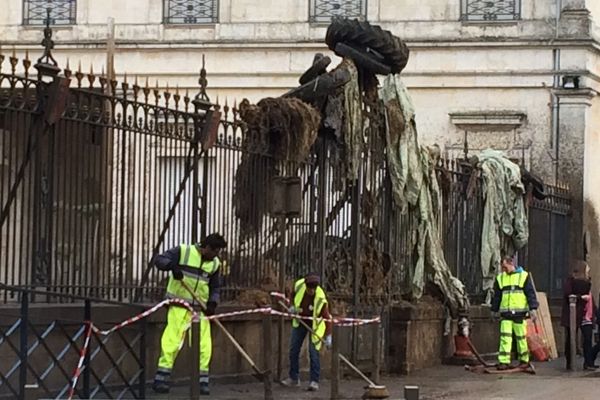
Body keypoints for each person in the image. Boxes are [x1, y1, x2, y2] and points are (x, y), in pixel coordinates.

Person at [151, 233, 227, 396]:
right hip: (179, 305)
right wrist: (172, 266)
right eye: (215, 251)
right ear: (207, 248)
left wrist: (212, 303)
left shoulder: (214, 264)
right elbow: (159, 260)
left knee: (204, 346)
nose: (216, 255)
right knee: (172, 342)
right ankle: (161, 378)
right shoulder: (183, 251)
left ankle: (202, 382)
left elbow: (215, 287)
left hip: (200, 309)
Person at [281, 272, 332, 391]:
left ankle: (314, 381)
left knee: (313, 352)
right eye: (309, 289)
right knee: (294, 349)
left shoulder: (321, 298)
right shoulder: (299, 285)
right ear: (306, 285)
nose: (311, 292)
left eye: (313, 289)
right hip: (300, 322)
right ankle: (294, 378)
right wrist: (292, 306)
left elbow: (327, 318)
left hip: (315, 326)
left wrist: (328, 336)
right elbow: (292, 295)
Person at [491, 255, 538, 370]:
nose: (503, 270)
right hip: (506, 314)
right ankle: (504, 361)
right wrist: (494, 310)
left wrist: (533, 309)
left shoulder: (523, 276)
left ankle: (524, 360)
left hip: (519, 314)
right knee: (505, 338)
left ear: (511, 263)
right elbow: (497, 297)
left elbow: (530, 294)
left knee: (521, 338)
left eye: (505, 267)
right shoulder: (500, 278)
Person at [561, 259, 599, 370]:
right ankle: (570, 362)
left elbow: (591, 299)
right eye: (587, 268)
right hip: (574, 313)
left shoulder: (587, 282)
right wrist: (580, 297)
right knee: (571, 339)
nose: (589, 270)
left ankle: (588, 362)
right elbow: (569, 296)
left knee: (587, 339)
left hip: (587, 313)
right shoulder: (571, 281)